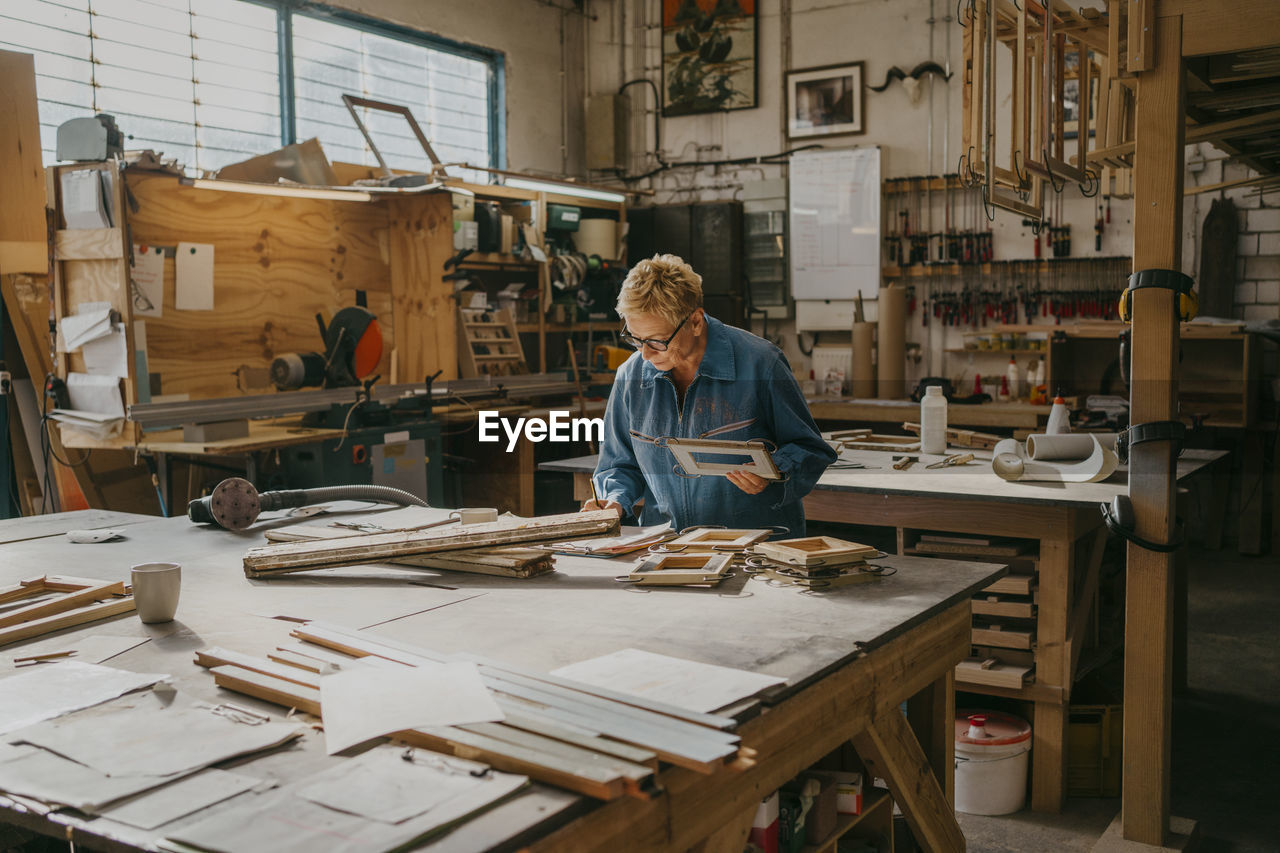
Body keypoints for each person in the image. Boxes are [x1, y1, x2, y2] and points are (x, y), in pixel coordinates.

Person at [582, 254, 836, 535]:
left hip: (759, 549)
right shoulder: (631, 376)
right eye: (634, 338)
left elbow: (812, 450)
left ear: (695, 322)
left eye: (657, 340)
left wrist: (775, 469)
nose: (645, 353)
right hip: (666, 548)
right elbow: (618, 464)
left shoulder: (761, 363)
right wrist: (615, 501)